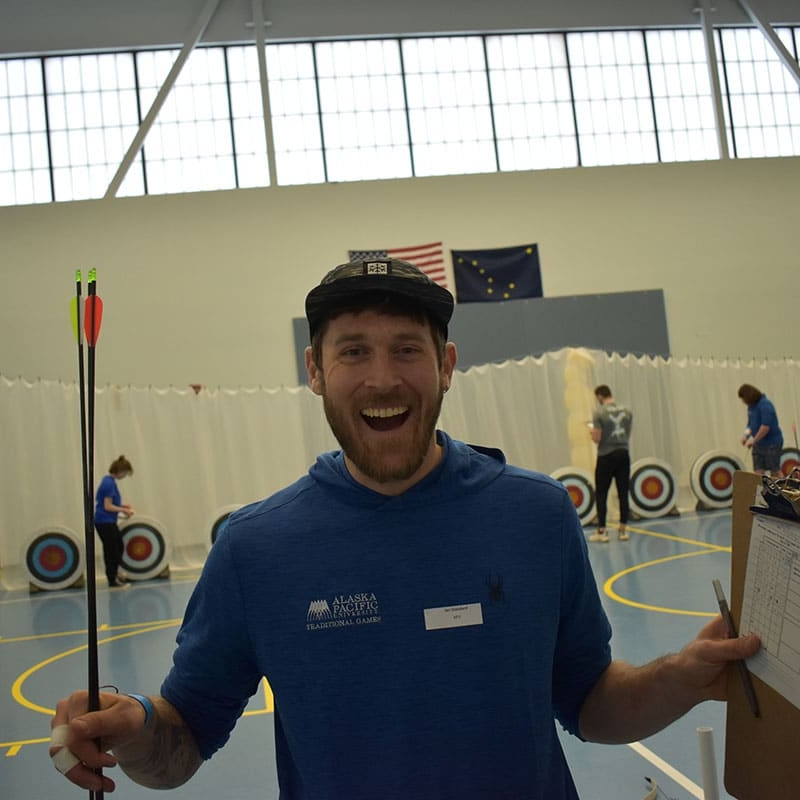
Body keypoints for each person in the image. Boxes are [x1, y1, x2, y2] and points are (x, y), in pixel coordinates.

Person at [50, 259, 759, 799]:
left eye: (407, 350)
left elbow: (591, 702)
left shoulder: (536, 514)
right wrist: (134, 725)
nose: (382, 378)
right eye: (353, 351)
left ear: (447, 366)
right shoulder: (255, 549)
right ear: (315, 372)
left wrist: (679, 678)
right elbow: (182, 742)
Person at [589, 385, 633, 543]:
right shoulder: (627, 411)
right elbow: (628, 433)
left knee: (601, 493)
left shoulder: (599, 412)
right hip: (623, 454)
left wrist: (591, 433)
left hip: (606, 456)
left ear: (600, 396)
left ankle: (602, 531)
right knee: (623, 492)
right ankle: (623, 530)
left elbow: (597, 439)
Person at [94, 455, 135, 588]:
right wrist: (125, 511)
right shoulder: (108, 483)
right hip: (104, 522)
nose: (125, 476)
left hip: (106, 521)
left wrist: (123, 507)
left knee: (116, 547)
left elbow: (109, 504)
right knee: (113, 550)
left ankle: (114, 575)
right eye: (125, 473)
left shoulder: (108, 481)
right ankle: (112, 579)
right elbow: (107, 506)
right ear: (121, 471)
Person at [738, 383, 784, 477]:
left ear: (748, 396)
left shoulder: (765, 405)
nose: (743, 401)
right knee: (758, 471)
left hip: (772, 444)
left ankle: (781, 490)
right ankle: (760, 491)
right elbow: (750, 425)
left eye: (743, 399)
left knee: (774, 470)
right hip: (758, 444)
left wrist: (754, 440)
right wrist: (745, 437)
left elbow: (765, 427)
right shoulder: (751, 407)